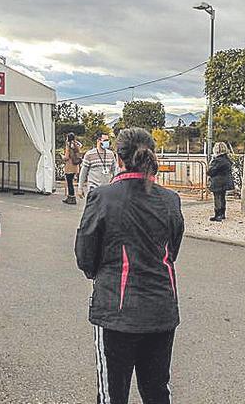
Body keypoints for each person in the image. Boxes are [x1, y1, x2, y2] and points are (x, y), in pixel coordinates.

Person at [74, 128, 184, 404]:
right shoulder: (170, 200)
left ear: (118, 159)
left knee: (112, 393)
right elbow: (172, 250)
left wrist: (98, 273)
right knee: (157, 389)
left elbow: (86, 254)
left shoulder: (103, 197)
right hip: (161, 307)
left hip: (116, 309)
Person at [77, 132, 117, 199]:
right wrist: (80, 188)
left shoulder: (111, 154)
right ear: (98, 141)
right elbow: (83, 172)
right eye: (105, 140)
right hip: (94, 189)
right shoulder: (89, 154)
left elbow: (115, 170)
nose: (107, 142)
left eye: (108, 140)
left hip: (107, 189)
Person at [207, 142, 234, 222]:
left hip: (217, 181)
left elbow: (210, 171)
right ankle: (222, 213)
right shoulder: (226, 159)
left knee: (217, 198)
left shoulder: (217, 160)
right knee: (222, 197)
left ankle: (217, 214)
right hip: (225, 181)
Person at [63, 133, 83, 205]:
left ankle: (71, 198)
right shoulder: (76, 145)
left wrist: (63, 157)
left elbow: (67, 157)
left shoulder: (68, 145)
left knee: (69, 183)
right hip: (75, 166)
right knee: (71, 182)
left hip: (69, 166)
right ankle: (70, 198)